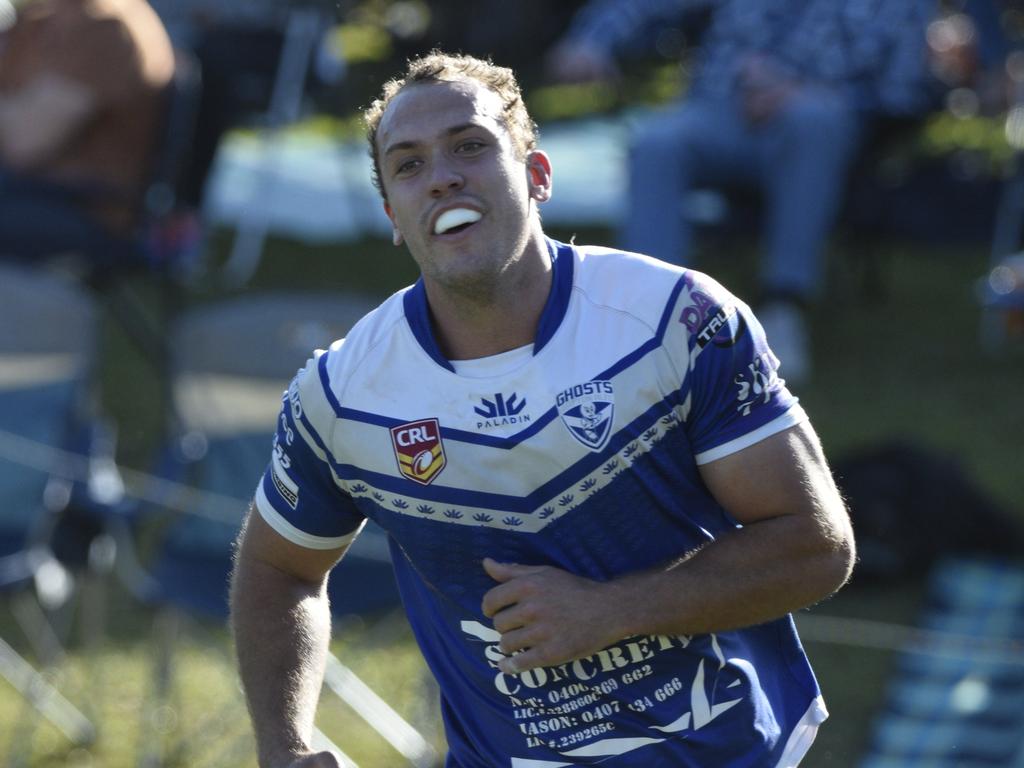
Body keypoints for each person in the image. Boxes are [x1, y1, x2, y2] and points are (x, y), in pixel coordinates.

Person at [229, 51, 856, 768]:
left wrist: (610, 611)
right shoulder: (343, 395)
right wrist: (284, 747)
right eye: (408, 165)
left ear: (537, 175)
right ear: (393, 219)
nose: (441, 177)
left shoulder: (676, 322)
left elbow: (815, 545)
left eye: (470, 146)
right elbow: (278, 568)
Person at [547, 0, 938, 382]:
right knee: (657, 143)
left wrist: (800, 91)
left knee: (813, 121)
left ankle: (784, 307)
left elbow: (905, 92)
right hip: (720, 110)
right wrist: (592, 40)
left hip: (820, 123)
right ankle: (647, 317)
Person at [0, 0, 174, 266]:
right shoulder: (42, 20)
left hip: (84, 206)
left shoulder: (106, 27)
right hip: (32, 189)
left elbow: (25, 144)